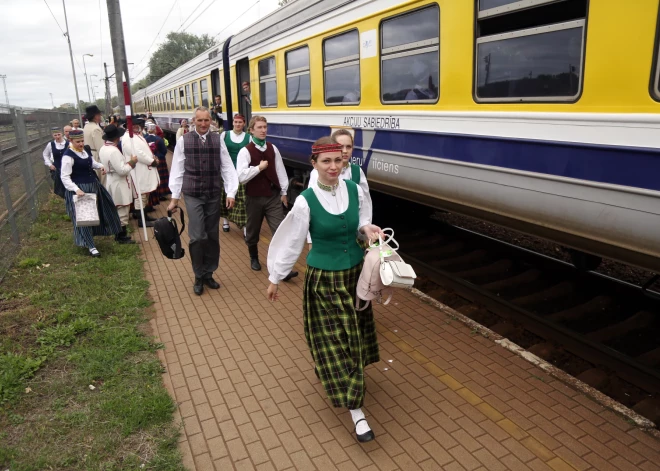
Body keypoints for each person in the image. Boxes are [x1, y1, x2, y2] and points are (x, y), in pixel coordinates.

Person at [266, 137, 385, 443]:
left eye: (338, 160)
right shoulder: (306, 200)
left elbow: (361, 221)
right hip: (325, 282)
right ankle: (356, 411)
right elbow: (292, 241)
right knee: (340, 341)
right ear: (313, 163)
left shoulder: (354, 190)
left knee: (352, 338)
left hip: (356, 277)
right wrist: (275, 277)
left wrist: (367, 230)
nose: (334, 166)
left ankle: (340, 376)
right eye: (326, 161)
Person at [168, 107, 239, 296]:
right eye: (199, 121)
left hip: (213, 194)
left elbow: (227, 167)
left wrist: (231, 192)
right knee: (198, 236)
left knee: (212, 236)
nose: (203, 124)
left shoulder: (218, 140)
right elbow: (177, 169)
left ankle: (209, 273)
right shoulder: (184, 141)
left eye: (206, 120)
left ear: (211, 122)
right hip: (193, 194)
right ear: (193, 121)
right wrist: (175, 197)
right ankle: (198, 275)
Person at [237, 116, 296, 279]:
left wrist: (284, 192)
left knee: (279, 230)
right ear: (251, 130)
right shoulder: (245, 151)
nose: (263, 130)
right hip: (254, 197)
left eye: (265, 127)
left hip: (272, 196)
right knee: (253, 231)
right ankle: (254, 257)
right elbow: (241, 177)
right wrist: (258, 168)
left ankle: (282, 269)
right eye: (260, 127)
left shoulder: (272, 148)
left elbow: (280, 170)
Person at [61, 129, 122, 257]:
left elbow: (91, 163)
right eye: (78, 142)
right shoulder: (68, 156)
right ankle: (91, 246)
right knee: (85, 218)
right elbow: (64, 176)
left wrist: (100, 166)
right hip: (81, 190)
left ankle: (108, 232)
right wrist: (76, 189)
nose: (81, 144)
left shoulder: (83, 151)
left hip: (93, 187)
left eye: (82, 141)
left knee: (105, 209)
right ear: (71, 141)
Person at [307, 129, 372, 247]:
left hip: (352, 235)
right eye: (341, 147)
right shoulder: (318, 173)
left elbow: (365, 205)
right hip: (328, 235)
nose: (345, 151)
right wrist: (311, 241)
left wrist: (366, 229)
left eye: (349, 146)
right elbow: (311, 208)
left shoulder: (357, 172)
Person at [98, 124, 138, 244]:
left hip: (111, 180)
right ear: (116, 138)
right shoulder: (113, 151)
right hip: (119, 182)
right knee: (122, 207)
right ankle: (121, 235)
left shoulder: (103, 148)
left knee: (118, 207)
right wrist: (132, 162)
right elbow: (121, 170)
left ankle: (119, 233)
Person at [120, 117, 160, 227]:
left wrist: (153, 158)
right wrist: (151, 161)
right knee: (140, 194)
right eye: (137, 125)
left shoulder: (136, 135)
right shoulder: (128, 137)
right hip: (138, 170)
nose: (139, 127)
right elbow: (137, 153)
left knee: (145, 194)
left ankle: (144, 215)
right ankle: (141, 220)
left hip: (143, 169)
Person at [219, 114, 251, 236]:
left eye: (240, 122)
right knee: (225, 197)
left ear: (244, 124)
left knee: (242, 200)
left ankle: (245, 227)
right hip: (227, 172)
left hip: (241, 172)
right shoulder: (224, 135)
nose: (238, 124)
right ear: (233, 123)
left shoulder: (248, 137)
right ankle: (225, 221)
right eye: (236, 122)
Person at [145, 122, 171, 201]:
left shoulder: (145, 139)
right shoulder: (159, 139)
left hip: (150, 160)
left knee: (154, 177)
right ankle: (162, 193)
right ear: (155, 130)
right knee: (161, 177)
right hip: (160, 160)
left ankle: (155, 194)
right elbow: (164, 151)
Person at [42, 126, 68, 198]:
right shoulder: (51, 144)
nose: (57, 136)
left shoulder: (68, 144)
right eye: (55, 135)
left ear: (62, 134)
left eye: (59, 134)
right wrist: (50, 164)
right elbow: (45, 154)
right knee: (60, 188)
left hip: (68, 169)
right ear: (52, 136)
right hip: (57, 170)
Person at [83, 105, 105, 185]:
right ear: (95, 116)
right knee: (102, 180)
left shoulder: (86, 126)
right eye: (99, 115)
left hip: (88, 153)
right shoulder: (96, 129)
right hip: (96, 156)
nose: (100, 117)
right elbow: (100, 147)